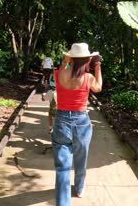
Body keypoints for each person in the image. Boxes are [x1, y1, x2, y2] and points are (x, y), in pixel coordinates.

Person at [51, 43, 102, 206]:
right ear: (88, 60)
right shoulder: (89, 78)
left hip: (61, 121)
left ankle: (63, 203)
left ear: (71, 58)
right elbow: (98, 88)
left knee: (62, 167)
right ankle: (79, 189)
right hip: (82, 122)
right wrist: (98, 66)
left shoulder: (59, 74)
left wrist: (67, 60)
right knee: (81, 158)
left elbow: (63, 67)